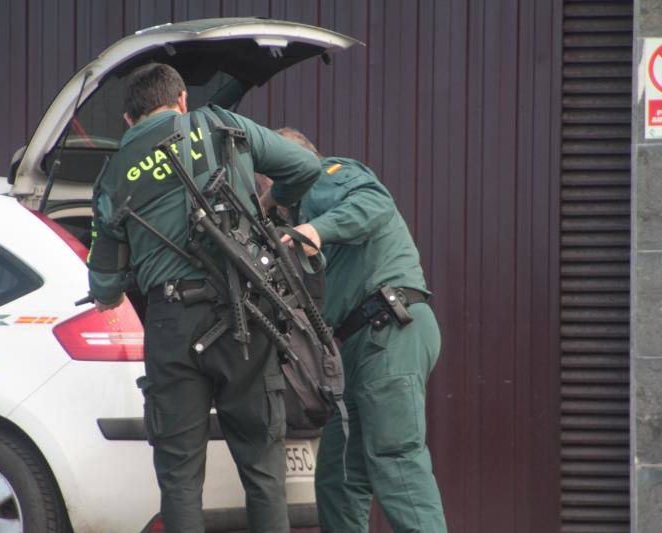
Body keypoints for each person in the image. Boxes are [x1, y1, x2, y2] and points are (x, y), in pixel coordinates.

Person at [85, 63, 321, 532]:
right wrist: (269, 208)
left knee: (179, 480)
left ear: (129, 121)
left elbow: (104, 287)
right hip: (246, 316)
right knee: (263, 472)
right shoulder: (220, 124)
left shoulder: (111, 178)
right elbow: (306, 166)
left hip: (172, 326)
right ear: (180, 102)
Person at [266, 128, 448, 532]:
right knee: (339, 477)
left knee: (396, 459)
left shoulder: (323, 175)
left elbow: (374, 203)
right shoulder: (298, 215)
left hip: (388, 329)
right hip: (358, 344)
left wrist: (315, 230)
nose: (264, 189)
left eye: (265, 175)